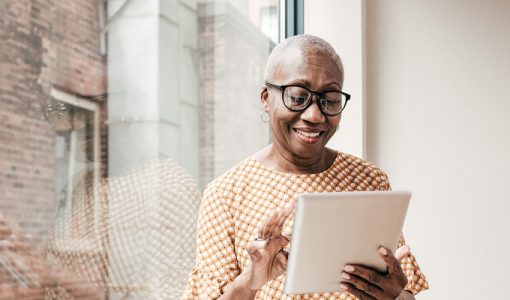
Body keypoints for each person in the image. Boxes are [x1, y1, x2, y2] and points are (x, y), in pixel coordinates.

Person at [183, 35, 428, 300]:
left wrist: (395, 297)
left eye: (330, 100)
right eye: (298, 97)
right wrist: (249, 283)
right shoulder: (226, 194)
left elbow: (405, 294)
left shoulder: (370, 181)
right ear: (267, 98)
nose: (314, 115)